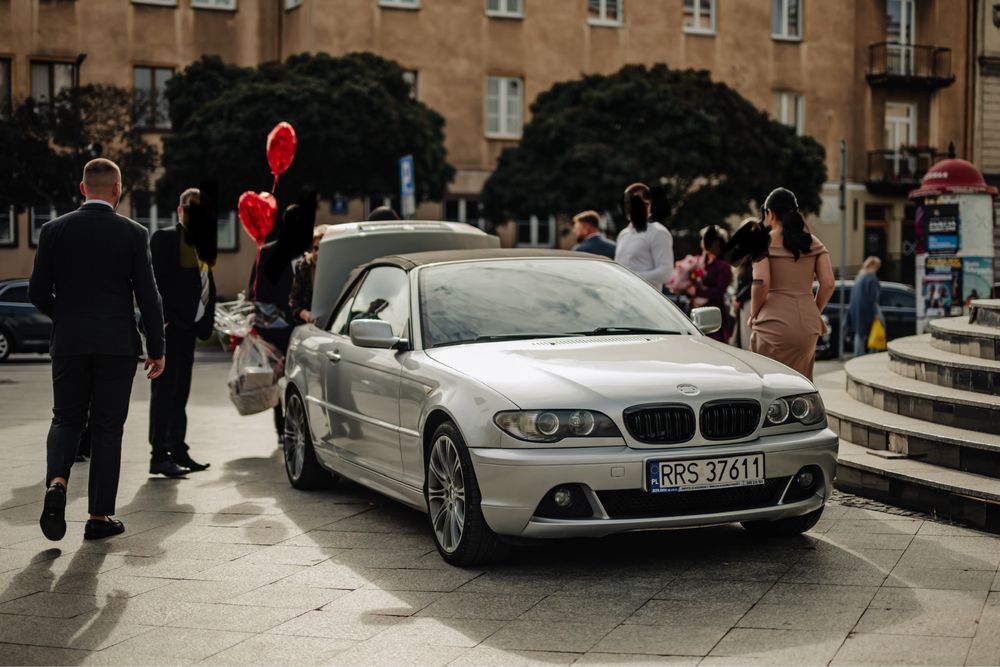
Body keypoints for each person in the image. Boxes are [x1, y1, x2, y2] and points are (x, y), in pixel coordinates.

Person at [29, 158, 165, 541]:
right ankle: (98, 517)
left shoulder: (53, 230)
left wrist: (67, 316)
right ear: (118, 190)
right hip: (116, 345)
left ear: (82, 187)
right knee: (107, 428)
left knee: (66, 419)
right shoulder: (134, 233)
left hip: (70, 343)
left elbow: (36, 292)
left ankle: (57, 483)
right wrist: (157, 348)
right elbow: (149, 297)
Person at [148, 188, 216, 476]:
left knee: (181, 393)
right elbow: (153, 284)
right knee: (165, 392)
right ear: (179, 211)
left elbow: (204, 286)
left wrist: (205, 322)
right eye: (191, 210)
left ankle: (178, 448)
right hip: (170, 329)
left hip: (190, 330)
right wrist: (163, 321)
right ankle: (159, 454)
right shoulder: (164, 238)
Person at [747, 187, 835, 380]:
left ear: (769, 213)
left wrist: (754, 314)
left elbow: (761, 282)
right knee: (799, 388)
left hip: (773, 324)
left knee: (766, 387)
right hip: (808, 327)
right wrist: (814, 310)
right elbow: (828, 283)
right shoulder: (813, 243)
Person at [614, 182, 673, 289]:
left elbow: (666, 273)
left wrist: (633, 277)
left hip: (645, 300)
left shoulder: (658, 233)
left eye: (634, 203)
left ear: (648, 204)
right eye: (627, 202)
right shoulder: (623, 235)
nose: (629, 207)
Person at [687, 225, 733, 342]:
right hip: (698, 311)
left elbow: (719, 291)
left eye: (704, 238)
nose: (701, 241)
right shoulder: (702, 263)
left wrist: (697, 291)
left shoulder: (723, 266)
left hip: (714, 313)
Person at [289, 225, 330, 324]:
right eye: (315, 248)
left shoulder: (337, 267)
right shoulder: (303, 267)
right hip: (307, 325)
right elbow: (294, 301)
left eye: (323, 249)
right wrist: (306, 314)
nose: (317, 253)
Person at [845, 256, 883, 357]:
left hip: (856, 310)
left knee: (859, 334)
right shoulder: (872, 279)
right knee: (875, 331)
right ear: (873, 266)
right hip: (868, 310)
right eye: (877, 267)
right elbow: (873, 298)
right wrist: (875, 313)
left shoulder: (859, 277)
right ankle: (872, 355)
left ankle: (858, 355)